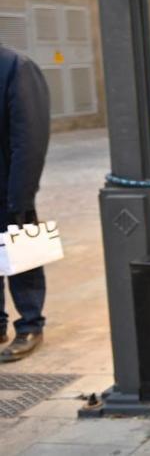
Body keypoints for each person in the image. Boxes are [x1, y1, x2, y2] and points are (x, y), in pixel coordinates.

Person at [0, 44, 51, 363]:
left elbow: (29, 139)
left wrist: (21, 195)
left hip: (8, 187)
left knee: (20, 255)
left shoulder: (16, 67)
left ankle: (30, 324)